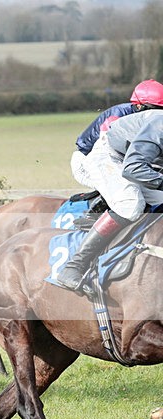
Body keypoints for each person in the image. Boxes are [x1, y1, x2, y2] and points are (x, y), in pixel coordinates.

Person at [57, 108, 163, 292]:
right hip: (110, 156)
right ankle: (74, 266)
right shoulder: (159, 126)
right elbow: (133, 168)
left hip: (133, 159)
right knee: (130, 205)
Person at [71, 79, 163, 189]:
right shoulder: (118, 115)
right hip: (87, 160)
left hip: (119, 160)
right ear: (138, 105)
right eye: (155, 108)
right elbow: (107, 149)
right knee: (129, 192)